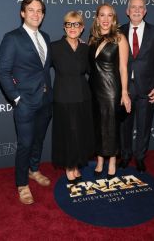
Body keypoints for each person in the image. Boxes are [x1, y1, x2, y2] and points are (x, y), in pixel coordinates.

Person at [0, 0, 53, 204]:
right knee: (25, 144)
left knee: (38, 140)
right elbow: (2, 72)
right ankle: (22, 183)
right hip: (26, 103)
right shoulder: (12, 38)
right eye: (31, 10)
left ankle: (34, 170)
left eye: (39, 10)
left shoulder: (46, 37)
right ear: (23, 13)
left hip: (46, 100)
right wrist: (17, 98)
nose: (36, 14)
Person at [119, 0, 154, 173]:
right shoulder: (119, 31)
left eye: (141, 7)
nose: (137, 10)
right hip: (125, 88)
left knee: (144, 126)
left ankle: (140, 157)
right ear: (127, 11)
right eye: (133, 7)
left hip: (147, 88)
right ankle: (125, 156)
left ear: (145, 11)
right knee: (124, 127)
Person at [51, 11, 94, 184]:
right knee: (68, 133)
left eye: (76, 24)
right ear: (64, 26)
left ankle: (76, 164)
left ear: (82, 27)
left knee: (79, 133)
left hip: (83, 96)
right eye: (69, 24)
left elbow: (92, 71)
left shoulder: (85, 49)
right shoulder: (54, 47)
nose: (72, 28)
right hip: (63, 97)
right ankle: (69, 167)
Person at [88, 3, 131, 179]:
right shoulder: (92, 39)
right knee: (98, 126)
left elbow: (123, 68)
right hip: (93, 90)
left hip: (112, 89)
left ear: (114, 19)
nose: (106, 19)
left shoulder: (119, 38)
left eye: (109, 16)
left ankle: (112, 162)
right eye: (102, 15)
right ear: (97, 18)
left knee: (111, 127)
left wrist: (125, 92)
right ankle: (99, 160)